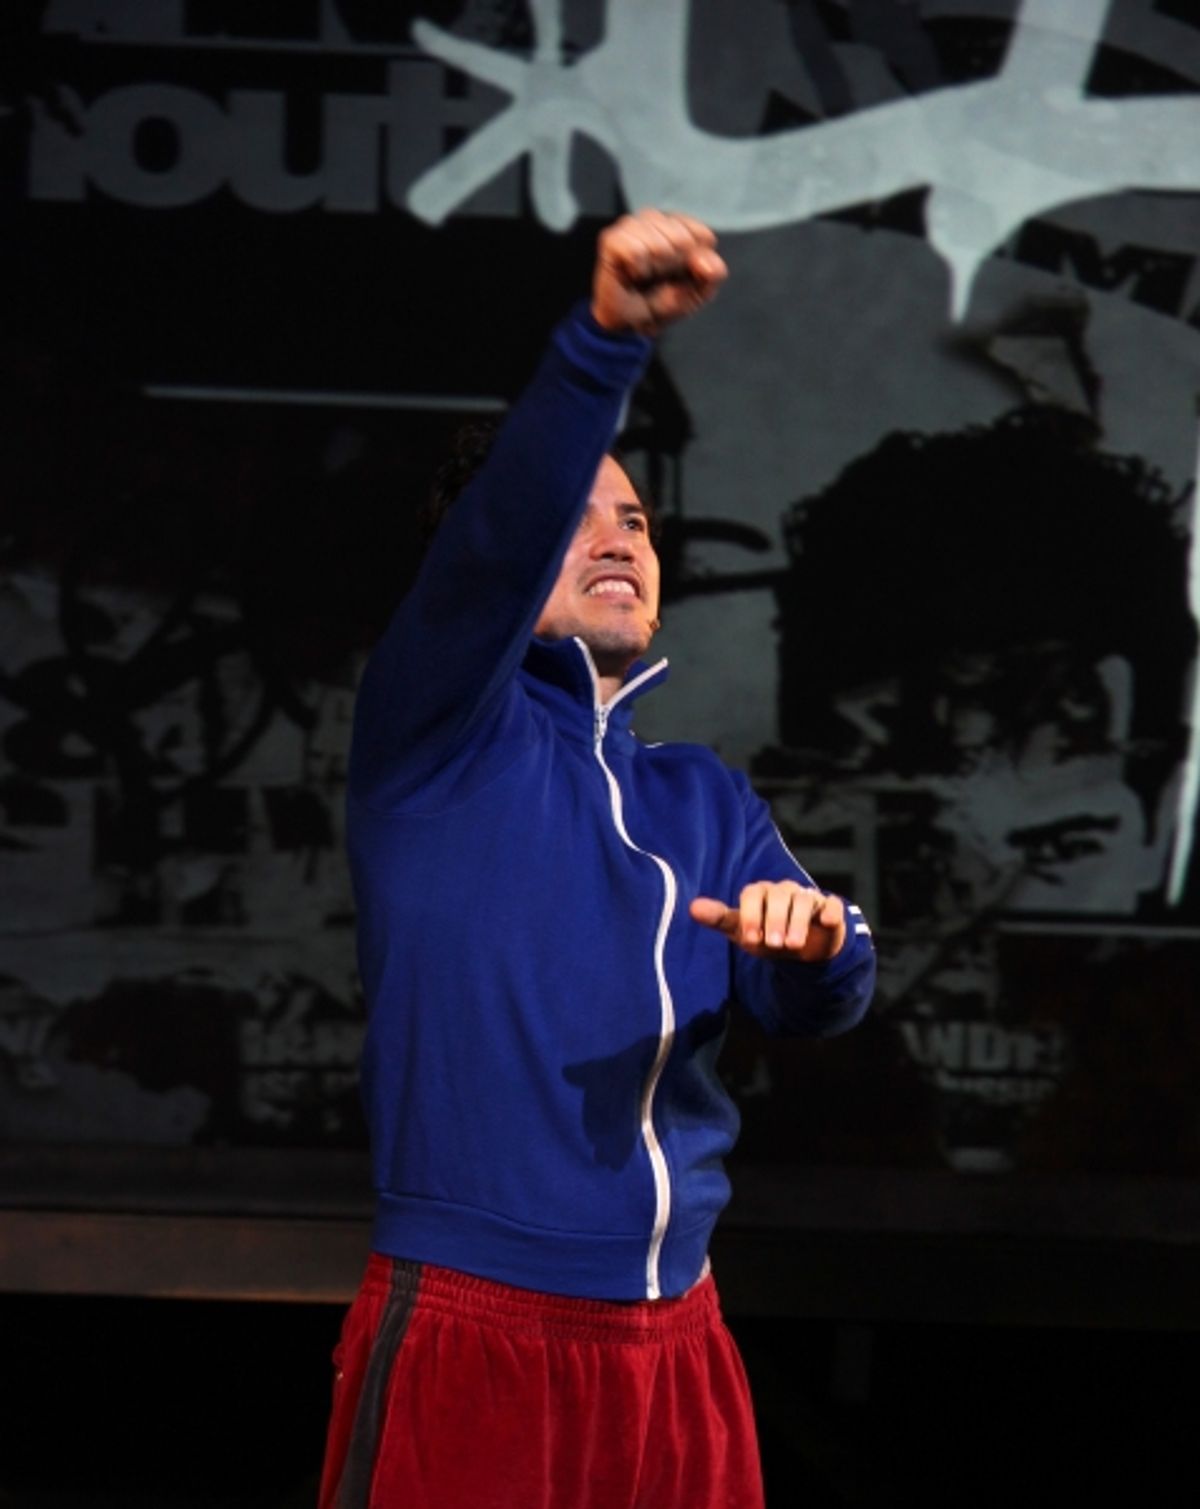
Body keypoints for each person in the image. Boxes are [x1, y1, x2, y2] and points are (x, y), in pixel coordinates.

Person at [318, 209, 876, 1509]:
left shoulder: (699, 793)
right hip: (476, 1327)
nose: (618, 533)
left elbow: (822, 986)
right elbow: (494, 540)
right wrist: (605, 345)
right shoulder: (436, 732)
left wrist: (822, 943)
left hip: (678, 1340)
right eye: (576, 515)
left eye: (634, 515)